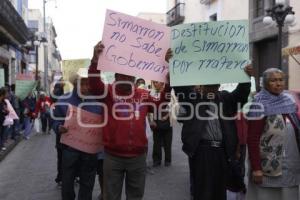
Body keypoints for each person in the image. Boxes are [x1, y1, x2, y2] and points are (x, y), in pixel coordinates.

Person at [88, 41, 171, 200]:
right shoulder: (108, 92)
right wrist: (94, 61)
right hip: (113, 157)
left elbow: (161, 104)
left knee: (135, 196)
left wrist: (168, 83)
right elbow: (94, 86)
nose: (127, 78)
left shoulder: (143, 94)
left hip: (138, 158)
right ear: (116, 76)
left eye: (130, 75)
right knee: (111, 196)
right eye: (123, 75)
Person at [172, 62, 253, 200]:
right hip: (202, 151)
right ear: (202, 86)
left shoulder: (225, 98)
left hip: (223, 151)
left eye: (215, 85)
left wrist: (246, 78)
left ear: (219, 86)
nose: (212, 88)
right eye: (208, 85)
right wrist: (174, 65)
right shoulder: (193, 99)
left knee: (220, 189)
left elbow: (241, 95)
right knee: (203, 190)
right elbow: (181, 89)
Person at [247, 68, 300, 200]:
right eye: (273, 80)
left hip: (290, 165)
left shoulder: (289, 102)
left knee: (288, 195)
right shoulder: (259, 104)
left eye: (281, 80)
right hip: (266, 167)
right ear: (265, 83)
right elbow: (252, 138)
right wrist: (256, 168)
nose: (278, 83)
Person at [53, 71, 101, 200]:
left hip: (90, 150)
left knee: (88, 182)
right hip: (69, 149)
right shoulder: (63, 100)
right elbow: (56, 120)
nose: (86, 87)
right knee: (67, 181)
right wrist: (59, 127)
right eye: (82, 83)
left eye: (88, 83)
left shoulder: (98, 101)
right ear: (75, 84)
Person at [150, 80, 173, 167]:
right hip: (156, 121)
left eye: (157, 82)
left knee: (168, 142)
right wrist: (151, 120)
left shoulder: (167, 93)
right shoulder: (151, 94)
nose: (155, 84)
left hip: (166, 121)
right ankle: (156, 160)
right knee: (156, 142)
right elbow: (150, 108)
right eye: (154, 82)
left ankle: (168, 160)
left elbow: (172, 106)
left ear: (162, 83)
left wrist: (166, 116)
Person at [51, 78, 65, 186]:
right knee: (61, 156)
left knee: (61, 157)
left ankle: (61, 176)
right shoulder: (59, 93)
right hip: (62, 128)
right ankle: (61, 176)